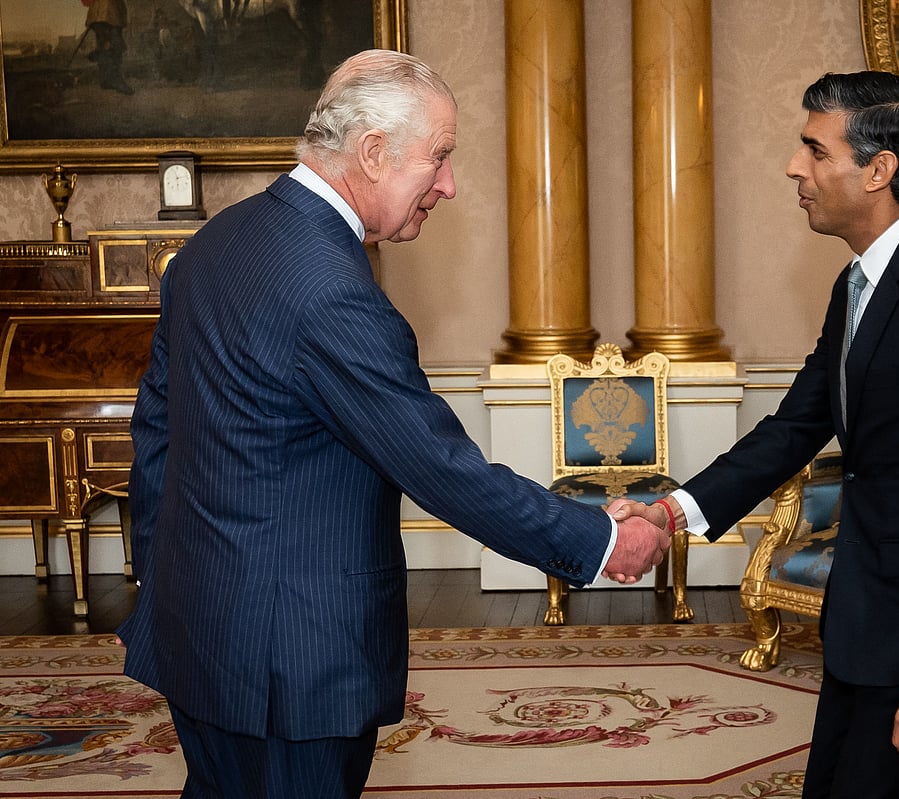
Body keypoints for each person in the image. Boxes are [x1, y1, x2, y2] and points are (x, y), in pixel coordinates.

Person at [117, 49, 669, 799]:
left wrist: (162, 575)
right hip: (292, 662)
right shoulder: (330, 290)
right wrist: (601, 538)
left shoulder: (215, 244)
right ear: (373, 153)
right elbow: (440, 467)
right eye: (439, 156)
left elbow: (157, 429)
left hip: (200, 628)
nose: (449, 183)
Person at [613, 71, 899, 799]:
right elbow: (795, 426)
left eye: (814, 149)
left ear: (879, 170)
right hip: (870, 603)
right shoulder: (860, 282)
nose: (793, 167)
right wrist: (670, 512)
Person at [84, 0, 134, 95]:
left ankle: (105, 80)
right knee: (113, 44)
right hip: (108, 9)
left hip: (101, 11)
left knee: (104, 44)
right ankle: (116, 81)